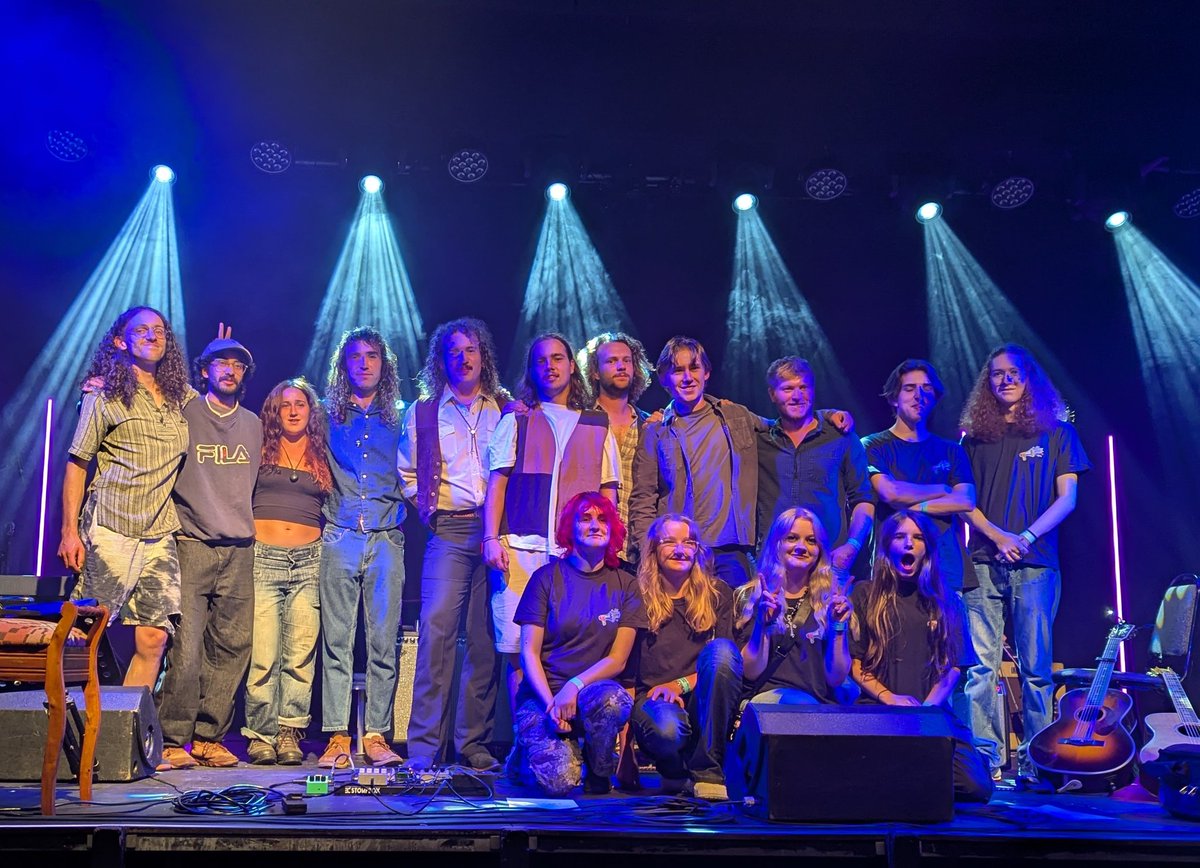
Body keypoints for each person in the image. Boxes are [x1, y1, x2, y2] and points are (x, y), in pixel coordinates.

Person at [483, 332, 620, 754]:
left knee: (567, 650)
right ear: (532, 370)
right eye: (541, 360)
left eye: (558, 358)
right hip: (520, 550)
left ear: (571, 367)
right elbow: (498, 483)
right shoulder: (517, 419)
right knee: (519, 653)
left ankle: (571, 744)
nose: (550, 366)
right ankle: (528, 747)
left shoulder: (597, 424)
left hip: (572, 556)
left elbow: (609, 491)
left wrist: (608, 545)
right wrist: (490, 537)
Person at [960, 344, 1090, 783]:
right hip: (982, 561)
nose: (1005, 380)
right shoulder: (974, 437)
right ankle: (986, 762)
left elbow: (1068, 497)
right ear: (987, 383)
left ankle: (1038, 764)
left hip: (1036, 564)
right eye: (996, 374)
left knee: (1037, 670)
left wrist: (1026, 538)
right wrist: (998, 537)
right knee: (981, 669)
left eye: (1014, 372)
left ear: (1030, 377)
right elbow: (963, 501)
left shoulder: (1058, 432)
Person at [57, 306, 191, 691]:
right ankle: (79, 733)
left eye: (160, 330)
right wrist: (70, 531)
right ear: (121, 341)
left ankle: (131, 740)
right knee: (88, 632)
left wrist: (217, 354)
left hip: (158, 532)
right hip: (112, 526)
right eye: (142, 330)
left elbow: (218, 394)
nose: (153, 336)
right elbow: (77, 463)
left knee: (155, 638)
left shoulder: (177, 396)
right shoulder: (104, 394)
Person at [397, 318, 506, 772]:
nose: (464, 357)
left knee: (484, 641)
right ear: (441, 359)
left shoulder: (505, 409)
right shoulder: (424, 411)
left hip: (496, 534)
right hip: (449, 531)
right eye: (455, 350)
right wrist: (429, 508)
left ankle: (473, 744)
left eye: (472, 349)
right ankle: (424, 749)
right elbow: (405, 473)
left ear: (484, 357)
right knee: (436, 636)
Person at [157, 335, 263, 770]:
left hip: (240, 547)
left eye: (238, 365)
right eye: (222, 363)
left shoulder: (254, 424)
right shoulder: (183, 412)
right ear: (204, 370)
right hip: (191, 542)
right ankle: (169, 738)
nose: (230, 370)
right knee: (185, 648)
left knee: (233, 646)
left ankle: (209, 736)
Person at [848, 510, 993, 802]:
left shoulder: (946, 600)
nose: (909, 544)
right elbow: (855, 662)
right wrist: (889, 697)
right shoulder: (865, 594)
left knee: (975, 787)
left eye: (917, 538)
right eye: (900, 537)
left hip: (930, 711)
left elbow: (953, 667)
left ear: (927, 547)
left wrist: (926, 709)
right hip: (878, 709)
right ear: (888, 545)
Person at [512, 492, 645, 796]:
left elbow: (618, 660)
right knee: (559, 783)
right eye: (585, 519)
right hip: (543, 696)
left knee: (615, 701)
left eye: (602, 519)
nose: (595, 525)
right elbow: (529, 653)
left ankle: (599, 770)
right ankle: (524, 754)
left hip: (592, 694)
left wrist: (574, 685)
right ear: (569, 529)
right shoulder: (545, 578)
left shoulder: (626, 584)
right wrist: (551, 705)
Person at [317, 327, 408, 769]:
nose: (364, 363)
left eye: (372, 356)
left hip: (387, 534)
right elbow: (278, 413)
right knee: (336, 640)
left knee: (383, 642)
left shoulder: (403, 415)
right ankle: (336, 736)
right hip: (338, 533)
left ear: (383, 364)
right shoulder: (325, 414)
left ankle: (375, 734)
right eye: (355, 357)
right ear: (343, 365)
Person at [242, 378, 332, 766]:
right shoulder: (258, 446)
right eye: (284, 405)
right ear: (274, 412)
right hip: (264, 556)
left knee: (299, 655)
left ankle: (289, 732)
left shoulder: (322, 451)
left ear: (312, 411)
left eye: (300, 403)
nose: (293, 410)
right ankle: (260, 735)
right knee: (263, 655)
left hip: (311, 559)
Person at [628, 336, 764, 587]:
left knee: (734, 624)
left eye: (694, 367)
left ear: (707, 372)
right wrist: (648, 553)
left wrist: (826, 417)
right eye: (678, 370)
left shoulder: (735, 416)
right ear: (664, 379)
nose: (687, 377)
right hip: (681, 552)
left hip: (730, 552)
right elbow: (643, 497)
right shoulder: (656, 430)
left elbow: (783, 431)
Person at [628, 514, 740, 801]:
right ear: (653, 550)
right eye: (670, 542)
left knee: (724, 651)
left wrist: (681, 685)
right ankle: (673, 768)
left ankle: (708, 771)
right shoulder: (635, 595)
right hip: (653, 699)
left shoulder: (718, 594)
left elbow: (725, 662)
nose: (680, 549)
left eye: (688, 542)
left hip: (701, 697)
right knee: (667, 729)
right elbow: (624, 670)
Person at [861, 360, 976, 593]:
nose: (919, 395)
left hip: (947, 570)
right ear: (894, 397)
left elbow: (965, 500)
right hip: (893, 570)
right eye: (910, 388)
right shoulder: (873, 445)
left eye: (926, 388)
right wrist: (943, 490)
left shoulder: (952, 450)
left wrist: (916, 506)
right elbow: (890, 493)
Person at [756, 356, 873, 581]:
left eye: (803, 387)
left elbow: (864, 499)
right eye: (788, 388)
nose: (797, 395)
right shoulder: (759, 440)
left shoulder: (842, 437)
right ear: (772, 394)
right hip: (774, 566)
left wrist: (852, 546)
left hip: (828, 564)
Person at [735, 508, 852, 704]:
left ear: (820, 550)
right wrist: (762, 624)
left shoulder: (830, 600)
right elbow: (750, 671)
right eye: (792, 538)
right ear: (776, 544)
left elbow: (836, 678)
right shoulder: (751, 596)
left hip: (814, 709)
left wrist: (838, 627)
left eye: (811, 541)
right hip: (764, 705)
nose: (801, 546)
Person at [578, 331, 653, 565]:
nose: (621, 366)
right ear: (594, 371)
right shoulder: (581, 421)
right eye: (611, 361)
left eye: (626, 360)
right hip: (591, 546)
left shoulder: (649, 425)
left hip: (638, 549)